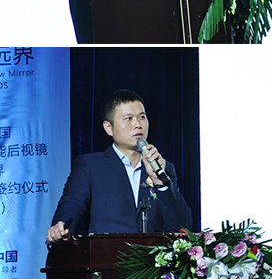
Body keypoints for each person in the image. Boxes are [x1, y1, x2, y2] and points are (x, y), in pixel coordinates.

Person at [46, 89, 194, 243]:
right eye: (128, 118)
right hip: (106, 255)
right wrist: (60, 228)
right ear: (108, 128)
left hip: (152, 257)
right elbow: (71, 204)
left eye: (142, 117)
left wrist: (161, 184)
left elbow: (182, 227)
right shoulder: (91, 166)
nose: (138, 125)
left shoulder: (163, 168)